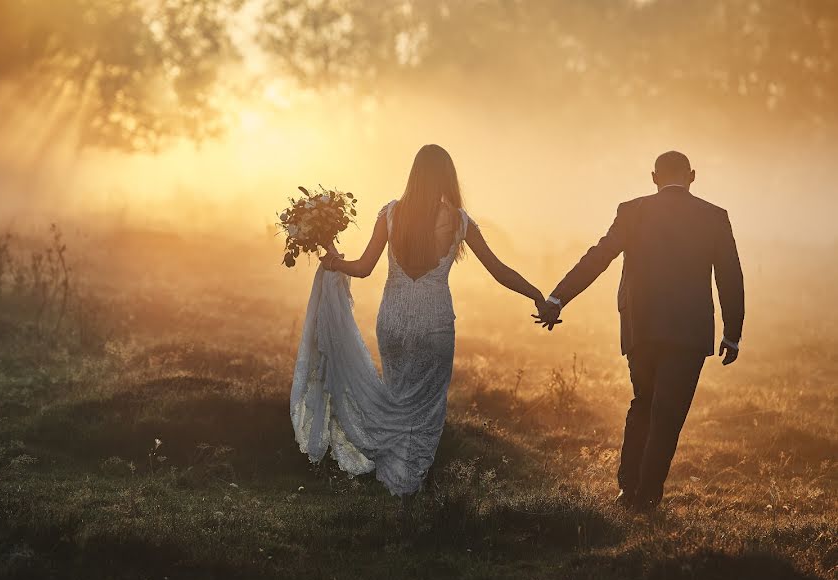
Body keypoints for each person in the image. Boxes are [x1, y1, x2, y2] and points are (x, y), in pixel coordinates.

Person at [290, 144, 548, 501]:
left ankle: (397, 482)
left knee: (397, 398)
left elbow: (363, 268)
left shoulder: (391, 214)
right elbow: (499, 270)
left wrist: (335, 260)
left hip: (393, 321)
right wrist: (535, 293)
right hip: (435, 324)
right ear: (446, 177)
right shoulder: (459, 221)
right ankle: (411, 483)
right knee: (425, 408)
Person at [535, 151, 745, 511]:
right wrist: (732, 332)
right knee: (669, 413)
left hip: (641, 325)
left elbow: (599, 257)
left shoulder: (632, 211)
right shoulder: (714, 216)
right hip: (690, 330)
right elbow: (730, 275)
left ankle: (627, 489)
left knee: (643, 403)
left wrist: (558, 297)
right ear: (692, 176)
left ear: (653, 177)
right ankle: (647, 496)